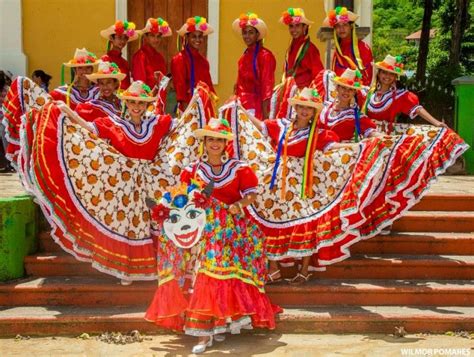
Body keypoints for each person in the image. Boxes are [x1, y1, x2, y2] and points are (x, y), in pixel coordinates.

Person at [145, 117, 280, 354]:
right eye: (211, 139)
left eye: (219, 139)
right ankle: (204, 333)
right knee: (202, 276)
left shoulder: (239, 168)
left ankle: (218, 326)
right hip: (202, 231)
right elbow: (183, 199)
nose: (215, 144)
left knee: (217, 275)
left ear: (225, 143)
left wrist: (239, 204)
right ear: (204, 142)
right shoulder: (192, 170)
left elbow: (251, 196)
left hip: (230, 230)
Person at [360, 54, 448, 133]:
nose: (387, 76)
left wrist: (437, 122)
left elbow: (418, 109)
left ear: (395, 77)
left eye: (391, 74)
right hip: (368, 134)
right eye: (384, 72)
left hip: (387, 137)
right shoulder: (368, 93)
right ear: (378, 74)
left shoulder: (400, 95)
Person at [232, 12, 276, 119]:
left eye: (250, 32)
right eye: (244, 32)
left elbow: (267, 86)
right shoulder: (244, 56)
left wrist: (265, 118)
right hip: (241, 105)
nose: (247, 36)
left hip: (255, 108)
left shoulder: (265, 56)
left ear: (257, 35)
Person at [319, 68, 378, 141]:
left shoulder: (354, 115)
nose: (346, 92)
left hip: (341, 151)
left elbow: (371, 131)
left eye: (350, 89)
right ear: (337, 88)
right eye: (343, 88)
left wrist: (386, 138)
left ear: (354, 92)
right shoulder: (325, 108)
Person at [172, 16, 216, 112]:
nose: (197, 39)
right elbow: (180, 88)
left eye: (200, 36)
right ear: (187, 37)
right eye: (194, 36)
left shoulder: (204, 62)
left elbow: (209, 87)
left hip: (203, 107)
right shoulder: (179, 59)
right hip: (187, 107)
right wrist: (187, 112)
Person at [323, 6, 373, 86]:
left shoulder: (363, 47)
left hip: (356, 92)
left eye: (345, 25)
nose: (341, 29)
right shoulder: (337, 50)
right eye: (338, 26)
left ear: (351, 26)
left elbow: (367, 77)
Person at [279, 7, 324, 89]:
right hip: (289, 91)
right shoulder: (290, 47)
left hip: (303, 94)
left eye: (297, 26)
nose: (294, 30)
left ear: (305, 27)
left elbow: (318, 75)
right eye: (291, 26)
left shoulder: (310, 48)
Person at [132, 17, 171, 89]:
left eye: (158, 36)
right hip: (145, 98)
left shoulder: (160, 57)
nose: (156, 40)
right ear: (145, 37)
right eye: (152, 36)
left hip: (159, 97)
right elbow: (139, 83)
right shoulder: (140, 56)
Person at [100, 20, 139, 90]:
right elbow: (103, 82)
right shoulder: (106, 59)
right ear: (112, 38)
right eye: (120, 37)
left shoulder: (125, 62)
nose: (123, 41)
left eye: (125, 38)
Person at [0, 70, 14, 172]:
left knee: (5, 140)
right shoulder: (8, 89)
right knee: (6, 140)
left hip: (4, 117)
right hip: (7, 117)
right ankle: (8, 163)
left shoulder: (6, 89)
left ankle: (8, 163)